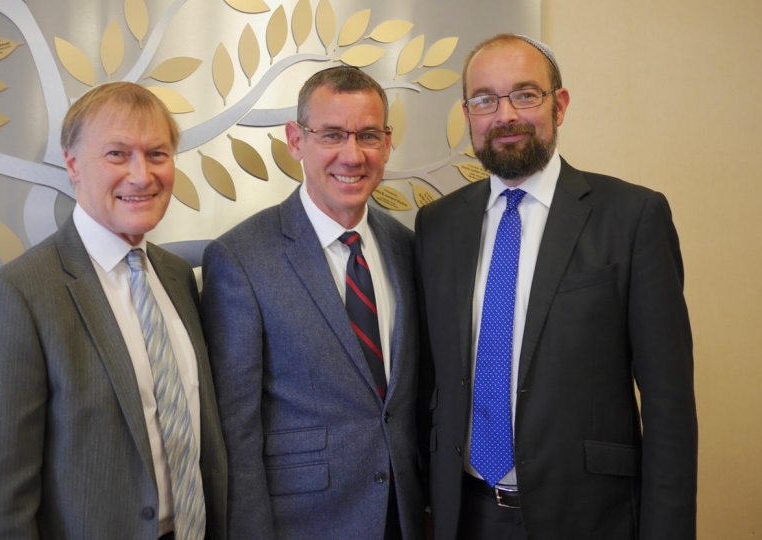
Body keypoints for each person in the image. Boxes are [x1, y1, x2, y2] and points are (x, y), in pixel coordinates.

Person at [415, 34, 697, 540]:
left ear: (559, 105)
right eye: (485, 100)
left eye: (525, 94)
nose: (505, 115)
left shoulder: (632, 217)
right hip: (465, 517)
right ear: (468, 114)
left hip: (590, 517)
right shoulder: (437, 226)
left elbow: (669, 408)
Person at [0, 82, 227, 540]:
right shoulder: (15, 296)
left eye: (157, 154)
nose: (141, 176)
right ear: (73, 164)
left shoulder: (178, 277)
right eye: (118, 155)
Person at [200, 66, 424, 540]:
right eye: (332, 135)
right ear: (295, 141)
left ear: (386, 142)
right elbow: (234, 436)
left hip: (403, 517)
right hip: (302, 524)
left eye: (367, 135)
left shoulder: (408, 247)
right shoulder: (240, 258)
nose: (352, 154)